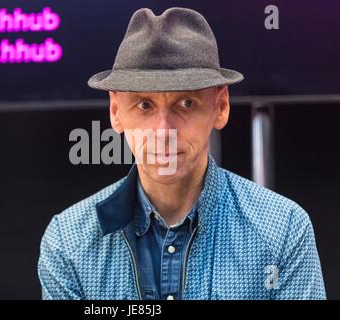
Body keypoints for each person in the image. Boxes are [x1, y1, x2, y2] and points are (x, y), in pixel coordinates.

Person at [38, 7, 326, 300]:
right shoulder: (69, 242)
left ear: (221, 106)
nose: (164, 131)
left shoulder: (283, 229)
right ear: (115, 111)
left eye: (186, 103)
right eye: (144, 105)